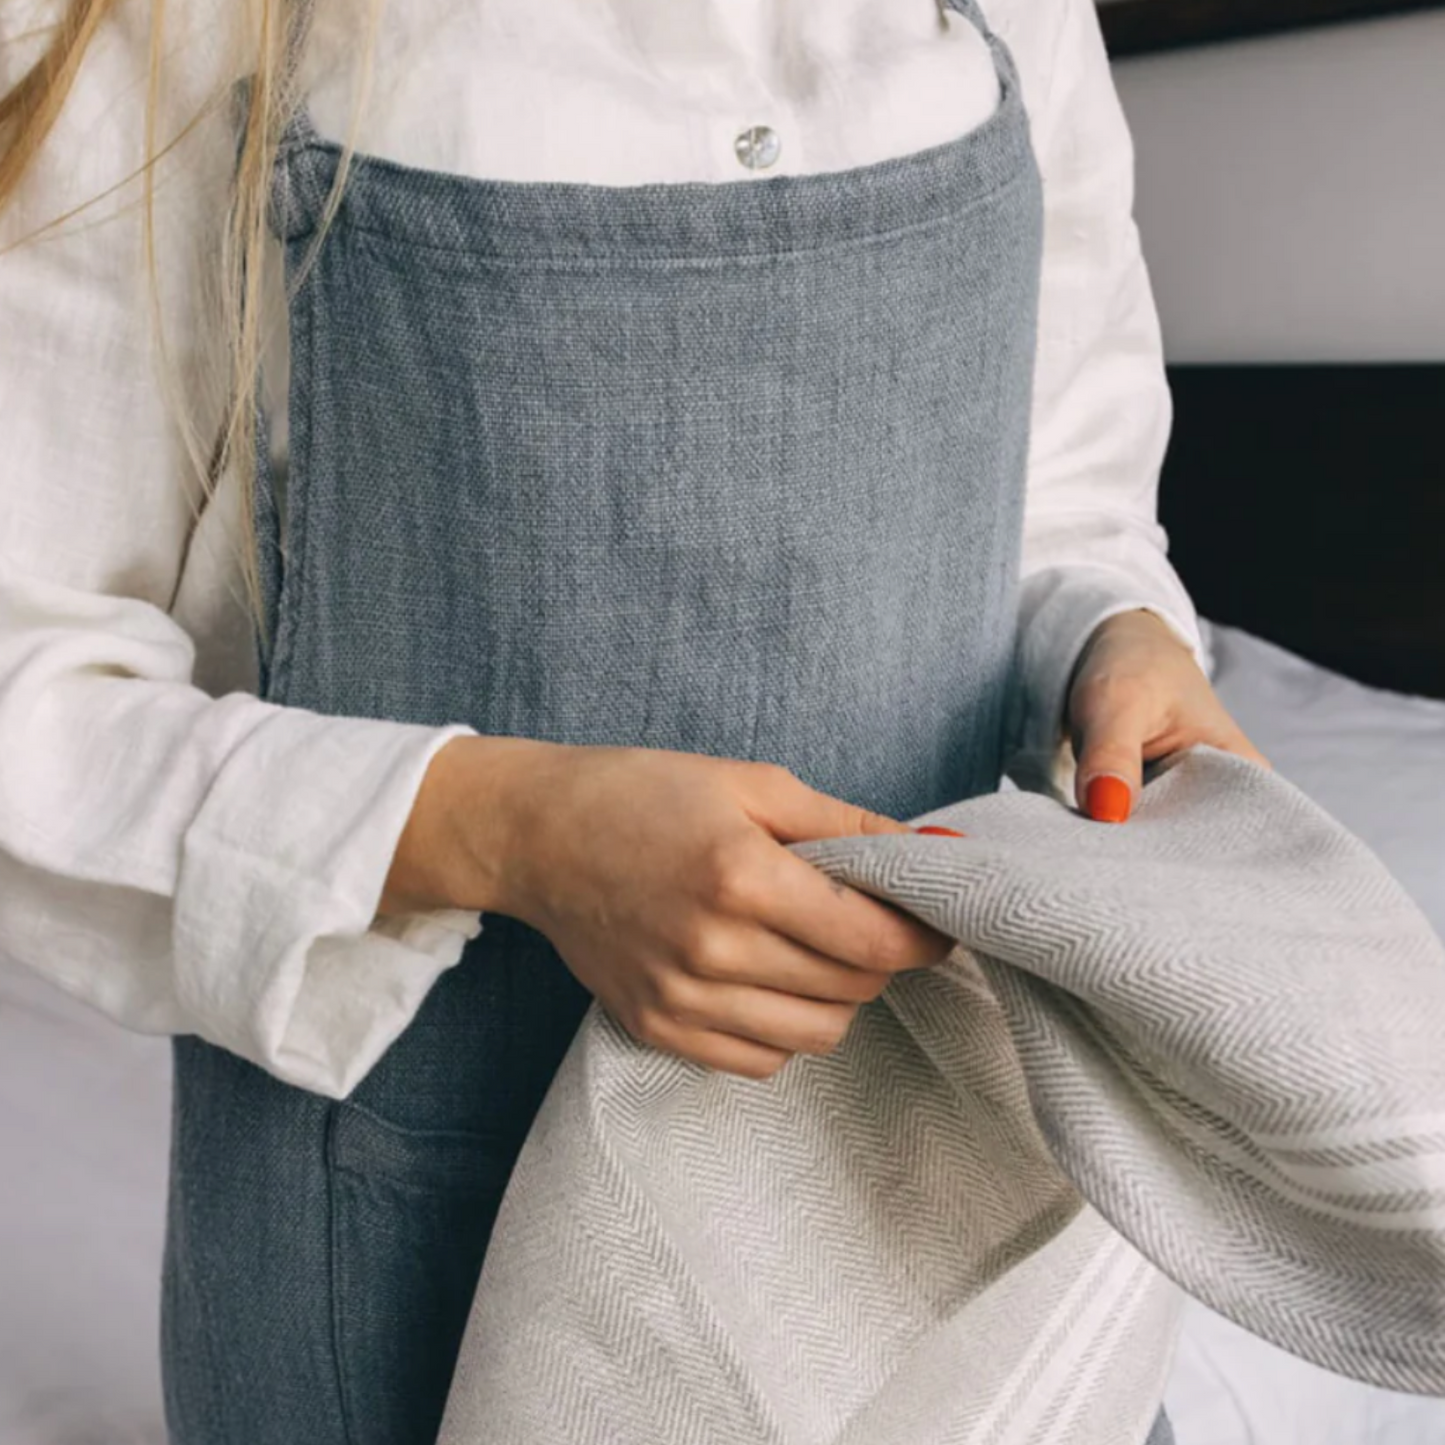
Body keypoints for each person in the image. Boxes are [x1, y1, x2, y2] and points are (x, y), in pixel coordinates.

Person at [0, 0, 1269, 1440]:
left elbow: (1055, 477)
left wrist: (1112, 636)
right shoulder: (180, 32)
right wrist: (518, 833)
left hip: (931, 1214)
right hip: (422, 1252)